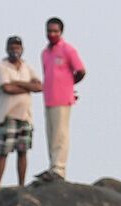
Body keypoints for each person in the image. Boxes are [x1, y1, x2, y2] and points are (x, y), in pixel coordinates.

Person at [36, 17, 86, 182]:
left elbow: (80, 70)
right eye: (49, 31)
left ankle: (59, 168)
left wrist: (69, 84)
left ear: (61, 32)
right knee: (51, 134)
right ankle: (52, 165)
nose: (52, 34)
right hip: (49, 97)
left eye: (55, 31)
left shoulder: (67, 50)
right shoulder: (45, 53)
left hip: (63, 97)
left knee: (60, 133)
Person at [0, 36, 42, 188]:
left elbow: (39, 86)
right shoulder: (2, 67)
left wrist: (18, 83)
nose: (15, 51)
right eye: (12, 48)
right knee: (4, 151)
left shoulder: (27, 67)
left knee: (23, 151)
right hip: (8, 115)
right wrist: (28, 87)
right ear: (7, 49)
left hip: (25, 116)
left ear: (22, 49)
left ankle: (21, 185)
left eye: (17, 48)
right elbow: (7, 88)